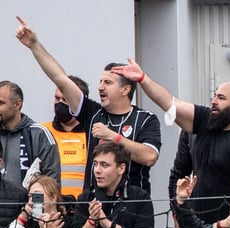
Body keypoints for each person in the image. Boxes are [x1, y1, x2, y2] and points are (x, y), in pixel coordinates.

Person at [109, 59, 230, 223]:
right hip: (200, 223)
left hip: (229, 225)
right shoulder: (207, 119)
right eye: (214, 96)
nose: (213, 101)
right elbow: (169, 102)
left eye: (221, 98)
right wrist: (142, 78)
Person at [16, 17, 161, 193]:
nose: (100, 86)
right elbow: (61, 79)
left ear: (125, 90)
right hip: (92, 205)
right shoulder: (92, 112)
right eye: (100, 81)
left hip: (132, 207)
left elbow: (149, 157)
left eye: (107, 82)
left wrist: (113, 137)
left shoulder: (145, 119)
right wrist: (34, 45)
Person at [0, 80, 60, 188]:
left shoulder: (39, 134)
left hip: (27, 204)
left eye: (1, 103)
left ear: (17, 104)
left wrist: (34, 204)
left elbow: (52, 184)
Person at [39, 75, 90, 197]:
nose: (59, 103)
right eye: (57, 98)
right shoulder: (42, 132)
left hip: (84, 207)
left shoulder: (93, 133)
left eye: (65, 99)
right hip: (51, 207)